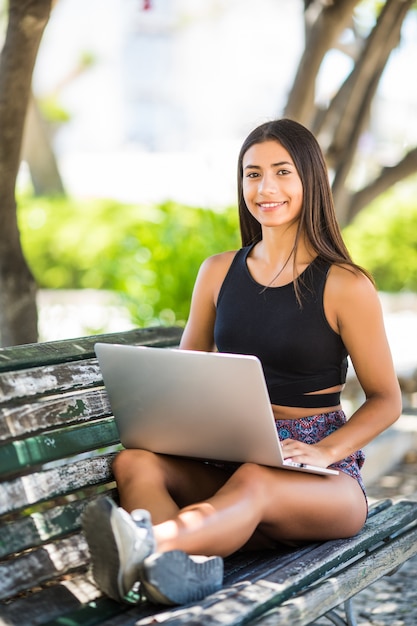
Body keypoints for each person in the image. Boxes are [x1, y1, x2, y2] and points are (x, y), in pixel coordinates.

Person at [81, 118, 402, 607]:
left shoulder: (345, 284)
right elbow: (184, 376)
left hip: (321, 478)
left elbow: (386, 400)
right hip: (229, 460)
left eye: (281, 172)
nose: (265, 187)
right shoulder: (217, 272)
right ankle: (177, 572)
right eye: (253, 174)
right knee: (136, 462)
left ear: (310, 181)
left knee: (257, 479)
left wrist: (325, 451)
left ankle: (150, 546)